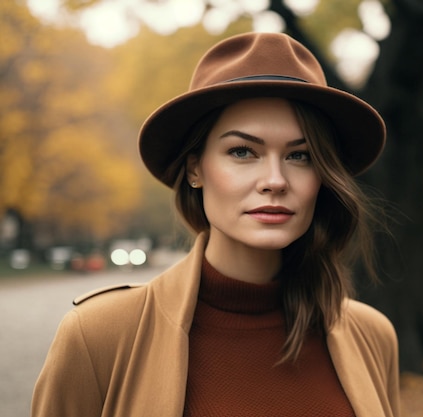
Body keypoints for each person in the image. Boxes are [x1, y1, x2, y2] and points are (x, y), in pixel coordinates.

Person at [32, 32, 400, 417]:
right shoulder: (99, 336)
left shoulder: (372, 337)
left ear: (323, 176)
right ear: (196, 169)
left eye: (300, 156)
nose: (275, 180)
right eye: (242, 151)